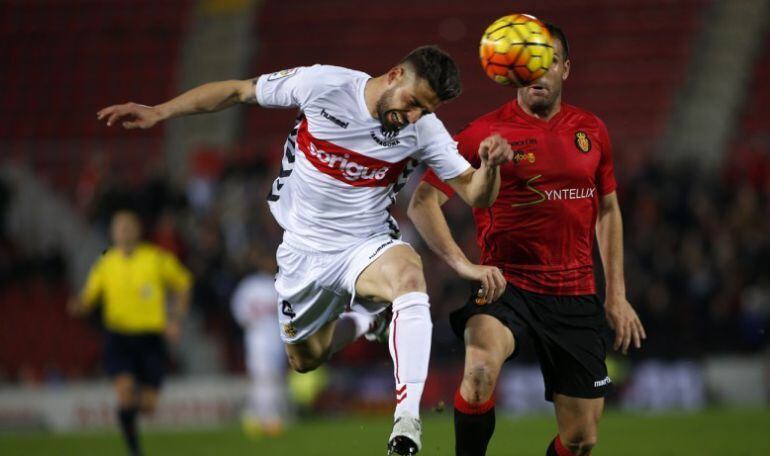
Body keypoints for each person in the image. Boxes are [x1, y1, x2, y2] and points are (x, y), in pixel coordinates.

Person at [96, 45, 513, 455]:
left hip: (365, 244)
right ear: (394, 76)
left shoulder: (423, 130)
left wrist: (489, 167)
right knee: (304, 359)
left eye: (426, 110)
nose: (415, 116)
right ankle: (367, 324)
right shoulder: (323, 85)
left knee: (410, 278)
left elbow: (476, 194)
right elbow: (239, 91)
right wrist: (161, 110)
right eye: (414, 103)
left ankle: (407, 422)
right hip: (302, 250)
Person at [408, 25, 646, 456]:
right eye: (527, 60)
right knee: (478, 371)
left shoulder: (591, 131)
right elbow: (422, 203)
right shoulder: (483, 133)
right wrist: (464, 265)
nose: (538, 70)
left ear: (566, 68)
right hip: (507, 286)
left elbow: (607, 210)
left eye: (549, 59)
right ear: (511, 70)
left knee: (580, 440)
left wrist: (617, 294)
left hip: (575, 295)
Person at [70, 210, 192, 456]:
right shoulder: (105, 263)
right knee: (125, 393)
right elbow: (89, 297)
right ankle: (134, 450)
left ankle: (126, 415)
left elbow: (184, 284)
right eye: (119, 227)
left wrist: (175, 319)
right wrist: (79, 305)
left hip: (150, 339)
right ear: (112, 233)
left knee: (148, 406)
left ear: (138, 230)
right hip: (119, 338)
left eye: (128, 226)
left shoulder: (156, 258)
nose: (124, 231)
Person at [230, 247, 288, 437]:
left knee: (273, 377)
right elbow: (238, 309)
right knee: (262, 378)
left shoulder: (281, 283)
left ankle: (254, 416)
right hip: (256, 338)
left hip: (276, 339)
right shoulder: (250, 285)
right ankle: (266, 418)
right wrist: (249, 323)